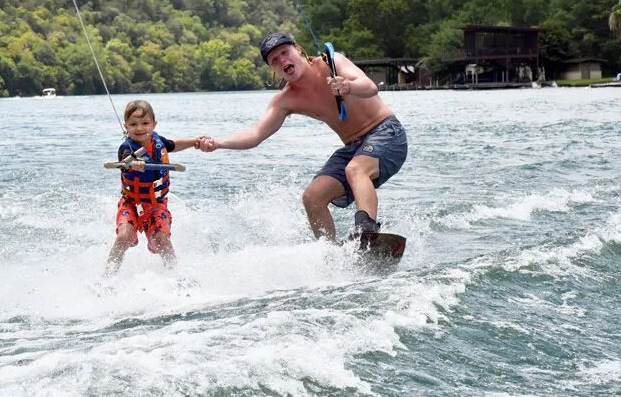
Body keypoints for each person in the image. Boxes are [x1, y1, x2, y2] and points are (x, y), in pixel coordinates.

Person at [198, 32, 407, 244]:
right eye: (275, 60)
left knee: (355, 169)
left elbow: (370, 88)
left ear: (298, 50)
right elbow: (255, 134)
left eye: (284, 52)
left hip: (386, 133)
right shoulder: (285, 100)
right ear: (273, 70)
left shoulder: (332, 63)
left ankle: (367, 233)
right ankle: (330, 253)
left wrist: (348, 86)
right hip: (354, 148)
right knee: (312, 197)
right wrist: (218, 143)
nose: (282, 60)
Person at [106, 100, 197, 275]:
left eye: (145, 123)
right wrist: (134, 164)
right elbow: (126, 161)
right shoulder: (126, 149)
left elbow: (174, 145)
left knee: (162, 238)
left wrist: (194, 142)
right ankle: (107, 277)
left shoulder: (158, 141)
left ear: (154, 124)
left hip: (155, 205)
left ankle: (175, 274)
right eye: (133, 124)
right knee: (123, 236)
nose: (139, 128)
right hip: (131, 204)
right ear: (126, 126)